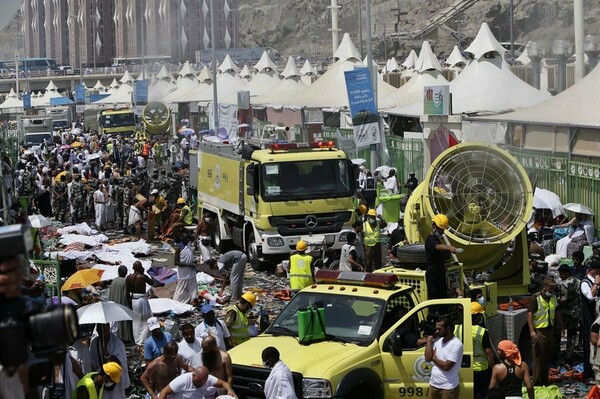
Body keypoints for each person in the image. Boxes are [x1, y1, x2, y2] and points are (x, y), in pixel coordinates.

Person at [527, 277, 561, 386]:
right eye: (550, 287)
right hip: (539, 331)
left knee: (547, 356)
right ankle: (537, 382)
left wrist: (562, 326)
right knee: (538, 358)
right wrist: (532, 331)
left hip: (550, 330)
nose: (552, 289)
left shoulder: (553, 297)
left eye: (553, 287)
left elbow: (556, 311)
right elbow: (530, 315)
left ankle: (545, 381)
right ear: (544, 287)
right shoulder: (535, 298)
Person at [425, 316, 463, 399]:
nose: (437, 331)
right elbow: (428, 358)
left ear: (448, 329)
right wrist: (428, 340)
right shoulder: (438, 340)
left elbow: (446, 366)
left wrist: (433, 358)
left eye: (439, 329)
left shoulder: (456, 344)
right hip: (434, 384)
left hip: (448, 387)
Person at [89, 323, 130, 399]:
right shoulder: (95, 343)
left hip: (115, 380)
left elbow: (121, 362)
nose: (104, 333)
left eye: (106, 330)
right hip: (102, 379)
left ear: (109, 328)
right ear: (97, 331)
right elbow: (92, 362)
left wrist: (109, 355)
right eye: (101, 331)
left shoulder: (118, 343)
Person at [126, 261, 163, 346]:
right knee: (146, 320)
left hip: (133, 300)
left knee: (136, 321)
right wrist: (144, 272)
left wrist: (129, 303)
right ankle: (143, 339)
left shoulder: (129, 278)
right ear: (140, 268)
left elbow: (127, 293)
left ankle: (137, 339)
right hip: (142, 300)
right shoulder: (142, 277)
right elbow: (152, 282)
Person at [425, 214, 458, 299]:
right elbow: (437, 246)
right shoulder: (430, 239)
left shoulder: (436, 239)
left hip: (440, 275)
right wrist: (449, 248)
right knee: (436, 300)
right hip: (433, 277)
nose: (442, 232)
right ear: (434, 226)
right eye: (440, 229)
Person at [158, 366, 236, 399]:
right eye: (198, 381)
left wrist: (230, 389)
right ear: (193, 375)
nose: (200, 384)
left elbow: (223, 383)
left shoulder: (208, 379)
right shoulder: (182, 380)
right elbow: (163, 392)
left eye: (203, 382)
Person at [470, 303, 495, 399]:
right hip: (481, 369)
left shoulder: (458, 328)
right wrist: (493, 368)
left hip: (465, 368)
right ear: (478, 317)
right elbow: (488, 352)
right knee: (480, 394)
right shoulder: (482, 332)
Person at [581, 260, 600, 380]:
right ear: (591, 270)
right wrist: (596, 284)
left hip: (597, 319)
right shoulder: (585, 283)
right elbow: (590, 296)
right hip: (589, 319)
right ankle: (589, 372)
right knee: (590, 346)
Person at [557, 263, 580, 363]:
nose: (561, 276)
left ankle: (560, 354)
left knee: (559, 332)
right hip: (575, 311)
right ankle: (570, 353)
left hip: (566, 312)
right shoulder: (577, 281)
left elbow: (563, 299)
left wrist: (555, 299)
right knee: (572, 334)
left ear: (566, 273)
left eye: (561, 274)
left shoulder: (564, 284)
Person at [108, 265, 133, 343]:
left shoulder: (113, 281)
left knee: (115, 322)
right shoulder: (125, 281)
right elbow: (126, 294)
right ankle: (125, 338)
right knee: (124, 322)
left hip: (113, 304)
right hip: (122, 304)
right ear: (125, 273)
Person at [173, 232, 198, 304]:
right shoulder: (179, 248)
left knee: (194, 290)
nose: (188, 240)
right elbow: (176, 262)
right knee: (181, 292)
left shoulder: (189, 247)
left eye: (188, 238)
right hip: (183, 274)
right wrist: (188, 265)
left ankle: (194, 303)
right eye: (186, 239)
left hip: (191, 273)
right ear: (182, 239)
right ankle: (177, 304)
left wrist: (194, 261)